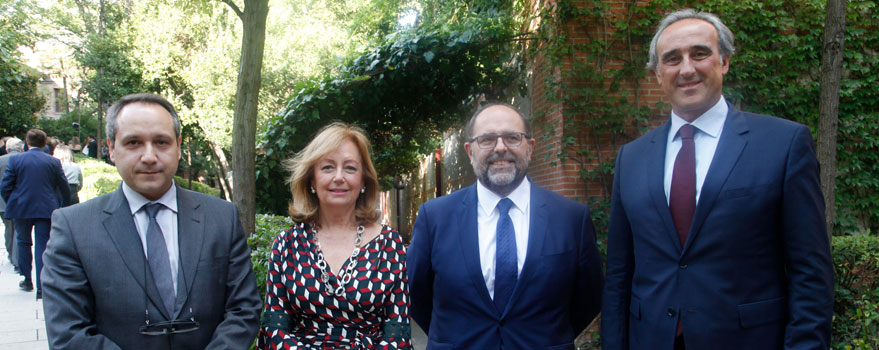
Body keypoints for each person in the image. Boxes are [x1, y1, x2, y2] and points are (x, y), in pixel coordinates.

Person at [601, 9, 834, 350]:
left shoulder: (783, 144)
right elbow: (619, 275)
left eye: (700, 54)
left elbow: (810, 271)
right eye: (672, 59)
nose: (687, 69)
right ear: (657, 75)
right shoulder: (631, 158)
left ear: (724, 61)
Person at [41, 93, 261, 349]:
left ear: (178, 147)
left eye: (161, 142)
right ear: (112, 148)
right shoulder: (73, 227)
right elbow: (68, 333)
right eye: (133, 142)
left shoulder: (222, 217)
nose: (149, 156)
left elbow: (243, 309)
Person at [407, 102, 604, 349]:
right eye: (487, 139)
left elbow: (589, 298)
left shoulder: (571, 218)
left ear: (530, 148)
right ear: (470, 152)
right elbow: (415, 294)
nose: (500, 148)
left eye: (512, 137)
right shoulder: (434, 217)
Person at [257, 122, 412, 349]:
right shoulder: (286, 245)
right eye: (328, 167)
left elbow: (398, 331)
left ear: (363, 180)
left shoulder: (390, 244)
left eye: (350, 168)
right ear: (311, 179)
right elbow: (273, 327)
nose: (339, 177)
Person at [0, 129, 71, 298]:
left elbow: (5, 186)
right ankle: (41, 286)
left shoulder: (16, 160)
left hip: (21, 208)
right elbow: (64, 187)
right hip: (46, 208)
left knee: (23, 242)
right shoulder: (53, 162)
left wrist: (12, 201)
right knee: (43, 245)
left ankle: (27, 279)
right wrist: (63, 206)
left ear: (27, 142)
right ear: (44, 143)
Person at [0, 137, 24, 268]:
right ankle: (17, 258)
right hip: (21, 200)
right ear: (21, 148)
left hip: (3, 202)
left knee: (8, 228)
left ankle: (11, 253)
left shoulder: (0, 160)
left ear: (6, 148)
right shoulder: (25, 160)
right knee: (19, 230)